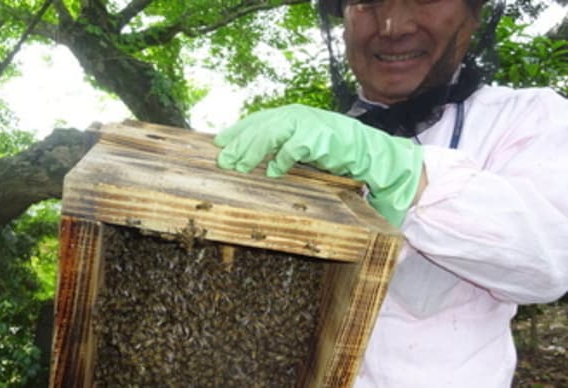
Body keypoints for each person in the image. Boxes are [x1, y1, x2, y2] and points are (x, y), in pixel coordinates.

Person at [213, 0, 568, 386]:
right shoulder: (308, 144)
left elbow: (549, 260)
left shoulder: (528, 117)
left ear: (473, 14)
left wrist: (404, 175)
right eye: (366, 2)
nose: (392, 25)